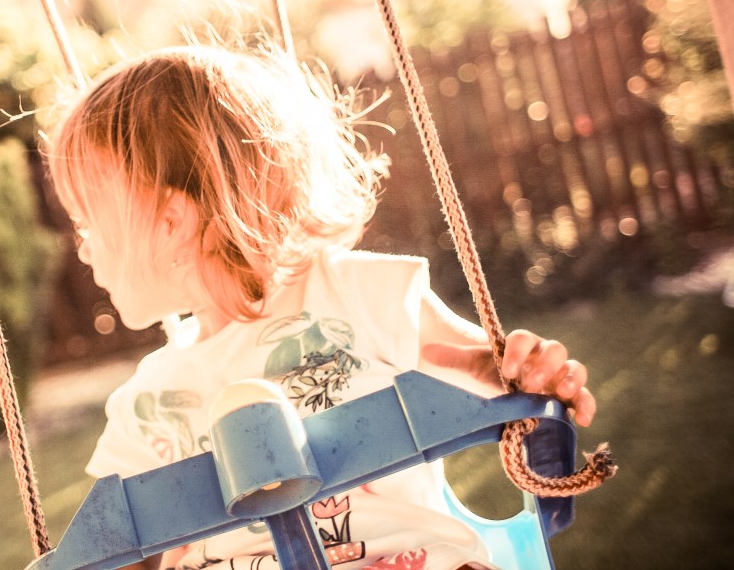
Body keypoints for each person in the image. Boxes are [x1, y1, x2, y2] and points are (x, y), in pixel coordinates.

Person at [43, 43, 597, 570]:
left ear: (172, 221)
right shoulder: (145, 404)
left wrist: (524, 372)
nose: (82, 247)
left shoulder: (356, 294)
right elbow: (115, 548)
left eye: (88, 223)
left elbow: (488, 370)